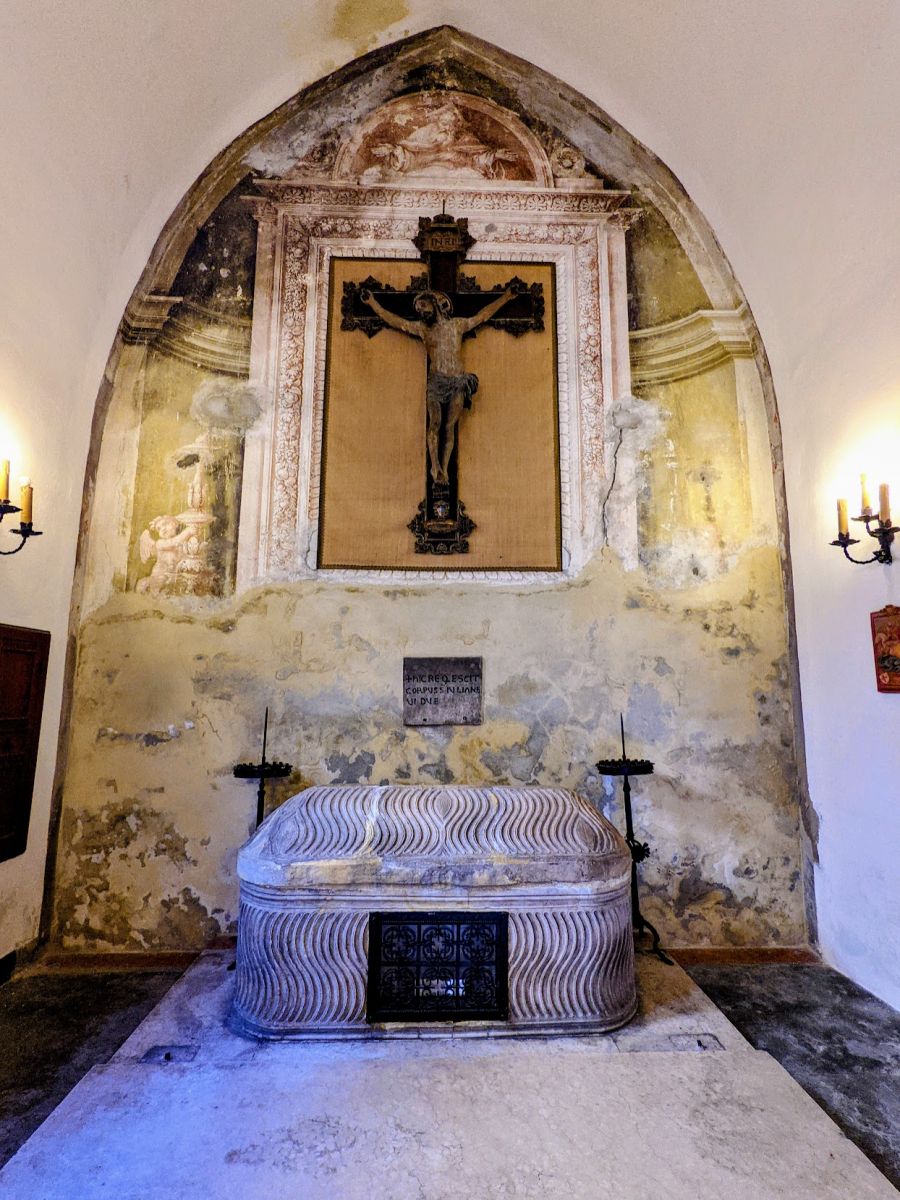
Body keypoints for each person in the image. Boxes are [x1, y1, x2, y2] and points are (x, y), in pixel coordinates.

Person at [359, 285, 517, 484]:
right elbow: (396, 322)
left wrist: (506, 298)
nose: (420, 311)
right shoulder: (422, 329)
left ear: (435, 304)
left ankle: (444, 469)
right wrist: (373, 303)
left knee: (450, 426)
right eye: (418, 309)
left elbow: (483, 316)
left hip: (457, 381)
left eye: (423, 306)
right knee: (435, 423)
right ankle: (435, 467)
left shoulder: (457, 326)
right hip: (436, 383)